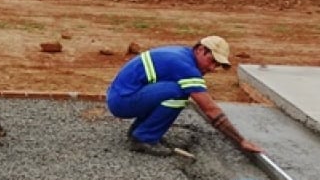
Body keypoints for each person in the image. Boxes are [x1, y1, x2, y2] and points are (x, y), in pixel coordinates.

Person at [106, 36, 262, 156]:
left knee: (174, 90)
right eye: (212, 61)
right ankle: (144, 138)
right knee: (179, 92)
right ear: (201, 50)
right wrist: (241, 141)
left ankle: (140, 131)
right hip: (122, 102)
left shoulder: (182, 54)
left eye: (217, 65)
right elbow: (210, 109)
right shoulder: (185, 66)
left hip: (122, 95)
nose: (213, 68)